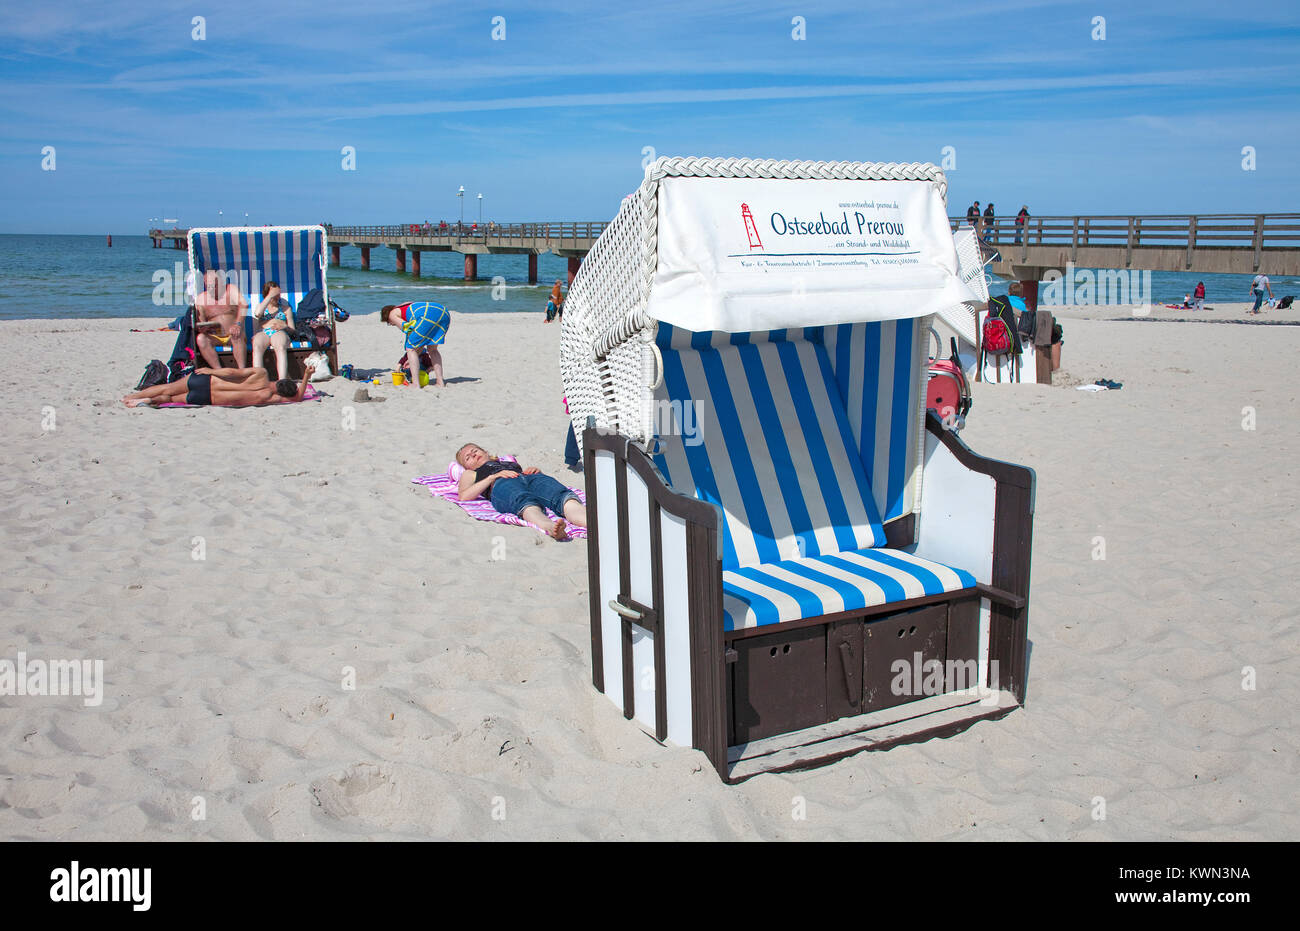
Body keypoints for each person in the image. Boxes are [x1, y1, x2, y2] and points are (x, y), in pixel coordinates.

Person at [455, 443, 587, 540]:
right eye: (468, 457)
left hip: (529, 478)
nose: (473, 454)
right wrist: (492, 477)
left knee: (560, 496)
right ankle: (550, 527)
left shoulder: (507, 462)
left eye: (475, 451)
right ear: (466, 466)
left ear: (485, 452)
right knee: (524, 502)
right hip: (501, 483)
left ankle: (591, 520)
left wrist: (534, 471)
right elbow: (464, 496)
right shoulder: (470, 473)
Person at [123, 365, 313, 408]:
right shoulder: (267, 398)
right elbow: (297, 398)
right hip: (208, 398)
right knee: (171, 399)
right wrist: (306, 377)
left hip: (208, 380)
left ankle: (130, 397)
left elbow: (232, 373)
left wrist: (210, 370)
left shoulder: (261, 373)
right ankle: (147, 401)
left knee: (168, 387)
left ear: (279, 381)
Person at [380, 302, 447, 386]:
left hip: (426, 315)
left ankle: (415, 384)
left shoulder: (391, 314)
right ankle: (440, 382)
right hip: (443, 312)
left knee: (410, 348)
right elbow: (420, 343)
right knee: (433, 350)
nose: (392, 324)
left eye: (390, 323)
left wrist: (410, 352)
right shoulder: (404, 306)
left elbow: (407, 328)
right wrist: (410, 359)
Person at [194, 269, 248, 369]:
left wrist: (238, 324)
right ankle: (219, 370)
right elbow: (200, 322)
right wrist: (202, 328)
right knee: (201, 339)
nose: (212, 289)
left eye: (215, 285)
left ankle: (242, 370)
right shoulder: (201, 299)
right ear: (205, 283)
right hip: (215, 336)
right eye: (209, 286)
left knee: (237, 334)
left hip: (233, 334)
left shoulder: (230, 290)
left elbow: (244, 305)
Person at [250, 281, 295, 380]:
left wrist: (285, 326)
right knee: (257, 345)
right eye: (274, 294)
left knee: (280, 346)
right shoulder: (261, 307)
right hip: (264, 331)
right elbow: (257, 314)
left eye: (277, 294)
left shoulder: (285, 309)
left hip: (279, 332)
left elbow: (292, 330)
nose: (276, 297)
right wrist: (269, 296)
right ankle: (259, 380)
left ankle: (282, 380)